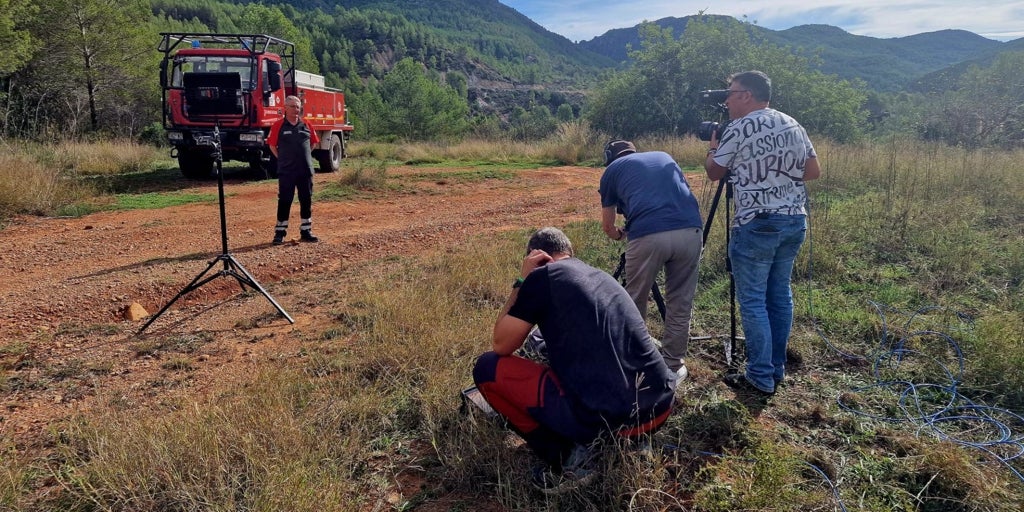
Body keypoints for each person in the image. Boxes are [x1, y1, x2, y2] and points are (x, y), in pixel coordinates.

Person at [472, 227, 676, 493]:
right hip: (659, 407)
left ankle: (571, 459)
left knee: (487, 368)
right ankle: (635, 443)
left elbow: (501, 344)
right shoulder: (600, 275)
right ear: (570, 253)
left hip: (613, 420)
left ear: (537, 257)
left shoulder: (543, 276)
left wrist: (522, 282)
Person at [703, 70, 821, 396]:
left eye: (730, 92)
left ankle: (759, 376)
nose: (725, 100)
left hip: (757, 223)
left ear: (747, 95)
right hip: (794, 220)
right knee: (779, 295)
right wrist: (776, 174)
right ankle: (776, 368)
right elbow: (812, 171)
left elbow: (714, 173)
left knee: (753, 300)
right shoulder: (792, 123)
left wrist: (714, 149)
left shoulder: (739, 128)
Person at [599, 140, 703, 381]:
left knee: (634, 299)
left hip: (647, 234)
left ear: (610, 157)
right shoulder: (664, 155)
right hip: (690, 231)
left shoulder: (612, 171)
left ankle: (635, 360)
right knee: (680, 302)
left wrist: (620, 234)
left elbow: (608, 225)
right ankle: (672, 366)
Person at [268, 95, 320, 245]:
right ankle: (280, 232)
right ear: (285, 108)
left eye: (298, 107)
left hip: (305, 171)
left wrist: (305, 158)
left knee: (306, 199)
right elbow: (272, 146)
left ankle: (306, 230)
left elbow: (313, 143)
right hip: (287, 171)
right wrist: (283, 159)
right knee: (285, 200)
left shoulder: (306, 124)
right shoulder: (278, 125)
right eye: (292, 106)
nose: (296, 109)